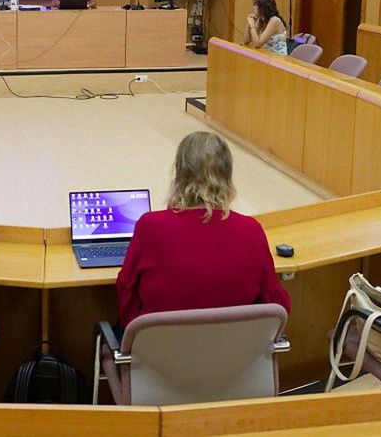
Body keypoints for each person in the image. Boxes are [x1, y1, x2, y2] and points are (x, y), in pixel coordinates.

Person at [116, 131, 290, 327]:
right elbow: (276, 303)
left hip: (160, 354)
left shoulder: (150, 226)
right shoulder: (251, 230)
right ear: (227, 175)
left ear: (178, 173)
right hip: (235, 355)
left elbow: (127, 297)